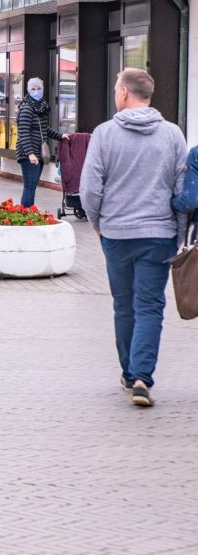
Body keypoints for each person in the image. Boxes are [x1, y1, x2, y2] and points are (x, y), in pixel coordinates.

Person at [81, 69, 187, 408]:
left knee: (124, 305)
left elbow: (90, 188)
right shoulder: (172, 135)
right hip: (159, 235)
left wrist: (97, 223)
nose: (115, 94)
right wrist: (181, 234)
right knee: (150, 306)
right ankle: (142, 376)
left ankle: (128, 374)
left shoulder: (105, 134)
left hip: (116, 233)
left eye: (116, 88)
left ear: (125, 93)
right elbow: (182, 188)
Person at [15, 77, 69, 207]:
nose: (36, 91)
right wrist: (30, 154)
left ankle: (27, 213)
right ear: (28, 91)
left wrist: (60, 136)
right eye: (33, 89)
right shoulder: (27, 108)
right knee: (30, 186)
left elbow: (44, 129)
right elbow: (23, 132)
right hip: (29, 154)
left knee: (32, 186)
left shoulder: (40, 108)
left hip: (37, 152)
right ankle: (26, 215)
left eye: (39, 88)